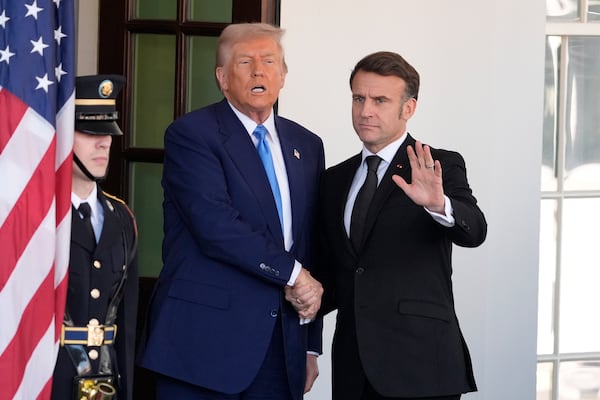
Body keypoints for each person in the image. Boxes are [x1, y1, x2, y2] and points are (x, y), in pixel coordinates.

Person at [138, 23, 325, 400]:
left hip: (280, 350)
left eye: (269, 61)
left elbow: (309, 242)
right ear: (223, 78)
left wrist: (309, 342)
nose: (259, 71)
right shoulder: (191, 134)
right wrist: (294, 275)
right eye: (246, 62)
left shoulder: (307, 144)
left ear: (283, 75)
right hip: (204, 348)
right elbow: (216, 226)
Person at [314, 51, 488, 400]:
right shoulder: (333, 180)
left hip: (421, 365)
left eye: (380, 100)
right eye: (359, 98)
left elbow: (475, 230)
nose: (365, 111)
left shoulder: (437, 165)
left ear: (408, 109)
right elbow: (331, 275)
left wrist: (439, 205)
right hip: (353, 368)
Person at [52, 75, 139, 400]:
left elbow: (126, 325)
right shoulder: (39, 217)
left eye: (108, 133)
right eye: (90, 133)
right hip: (48, 379)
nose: (104, 142)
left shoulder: (122, 218)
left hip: (104, 382)